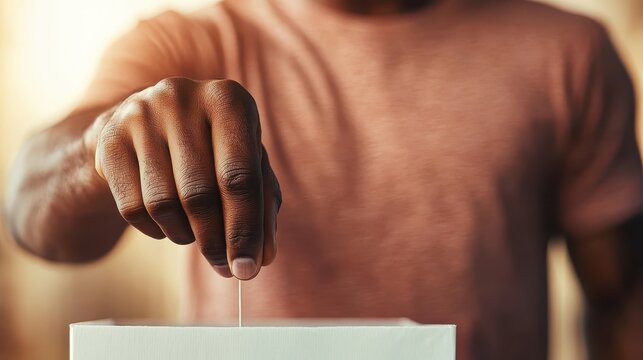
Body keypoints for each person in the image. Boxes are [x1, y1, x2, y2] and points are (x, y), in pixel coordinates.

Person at [3, 0, 643, 358]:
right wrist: (101, 144)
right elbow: (29, 212)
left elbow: (622, 305)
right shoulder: (185, 41)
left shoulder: (568, 54)